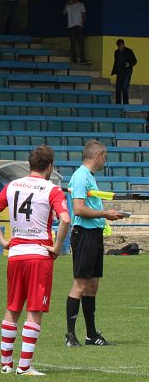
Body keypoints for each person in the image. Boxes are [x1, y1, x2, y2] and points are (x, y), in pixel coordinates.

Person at [0, 146, 71, 376]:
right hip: (38, 255)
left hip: (16, 254)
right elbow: (65, 219)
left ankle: (5, 364)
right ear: (50, 166)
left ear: (30, 164)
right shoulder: (52, 189)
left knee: (13, 307)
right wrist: (57, 247)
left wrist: (3, 241)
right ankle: (24, 366)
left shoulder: (12, 186)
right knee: (34, 309)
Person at [64, 140, 125, 348]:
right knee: (80, 283)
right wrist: (105, 213)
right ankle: (70, 336)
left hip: (94, 234)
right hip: (84, 235)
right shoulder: (81, 176)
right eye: (104, 156)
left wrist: (105, 216)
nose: (105, 160)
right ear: (97, 155)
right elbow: (79, 209)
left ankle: (91, 335)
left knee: (92, 284)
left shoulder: (88, 176)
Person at [63, 0, 89, 65]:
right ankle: (74, 59)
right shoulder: (68, 6)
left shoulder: (81, 5)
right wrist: (67, 3)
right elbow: (64, 13)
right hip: (71, 26)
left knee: (81, 43)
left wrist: (82, 23)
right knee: (73, 44)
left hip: (79, 26)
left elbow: (84, 15)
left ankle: (83, 59)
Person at [111, 39, 138, 105]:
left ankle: (126, 105)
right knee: (118, 89)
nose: (121, 47)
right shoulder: (116, 52)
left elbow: (135, 61)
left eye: (122, 45)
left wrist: (129, 64)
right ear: (117, 46)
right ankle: (118, 105)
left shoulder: (129, 51)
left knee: (124, 88)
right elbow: (116, 62)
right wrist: (114, 70)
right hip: (119, 72)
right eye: (119, 46)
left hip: (127, 72)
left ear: (124, 44)